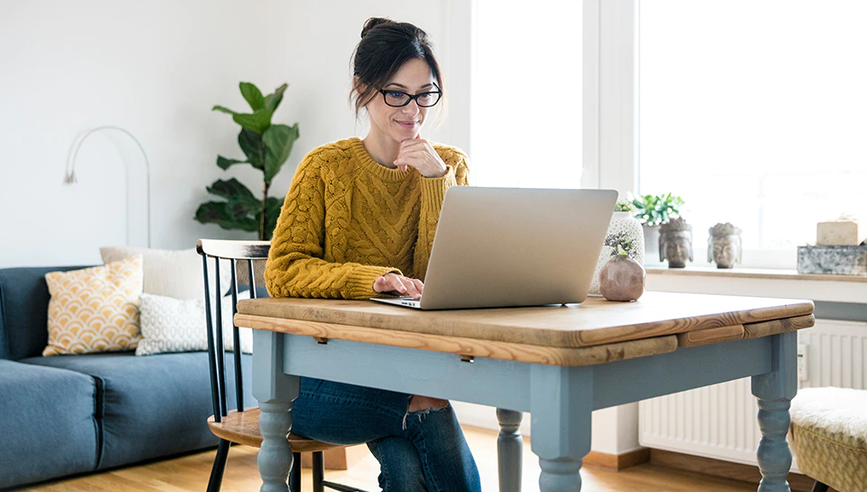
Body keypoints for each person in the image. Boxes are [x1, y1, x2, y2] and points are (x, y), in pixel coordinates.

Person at [263, 17, 480, 492]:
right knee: (428, 401)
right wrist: (370, 280)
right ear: (363, 89)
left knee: (406, 466)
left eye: (426, 93)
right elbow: (281, 271)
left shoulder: (450, 167)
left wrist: (435, 183)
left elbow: (443, 281)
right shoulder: (325, 168)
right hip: (314, 381)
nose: (413, 109)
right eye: (397, 93)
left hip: (405, 365)